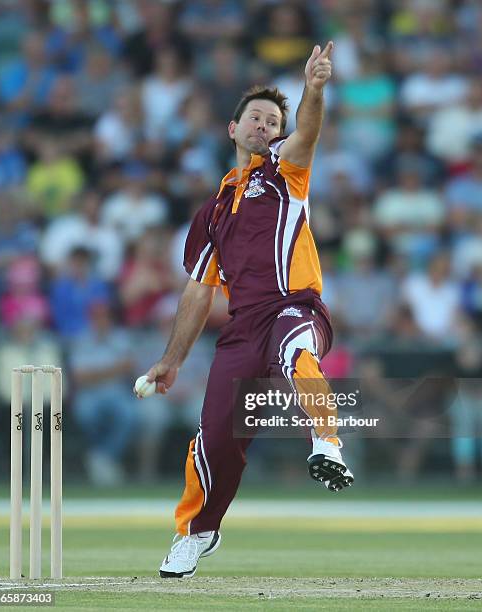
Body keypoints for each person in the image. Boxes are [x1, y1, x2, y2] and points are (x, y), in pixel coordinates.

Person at [139, 41, 354, 578]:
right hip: (241, 331)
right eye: (254, 118)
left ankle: (327, 442)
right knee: (216, 438)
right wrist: (171, 360)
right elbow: (197, 292)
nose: (264, 126)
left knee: (297, 349)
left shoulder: (286, 171)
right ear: (232, 130)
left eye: (271, 121)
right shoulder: (212, 211)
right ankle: (198, 532)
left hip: (296, 308)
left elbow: (307, 130)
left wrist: (315, 89)